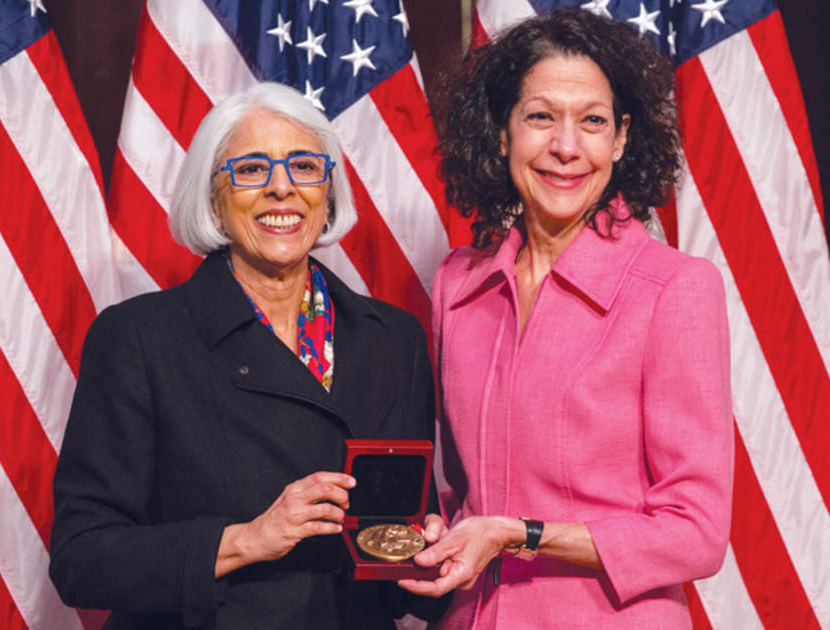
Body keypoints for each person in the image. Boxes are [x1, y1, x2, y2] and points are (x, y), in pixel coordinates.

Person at [49, 82, 444, 629]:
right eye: (252, 170)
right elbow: (82, 558)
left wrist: (431, 559)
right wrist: (248, 540)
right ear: (213, 197)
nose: (282, 189)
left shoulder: (394, 339)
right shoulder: (138, 339)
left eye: (305, 167)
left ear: (327, 192)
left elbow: (402, 557)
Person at [398, 10, 734, 628]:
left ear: (622, 138)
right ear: (502, 132)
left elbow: (697, 532)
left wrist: (518, 534)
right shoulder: (457, 284)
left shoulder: (675, 290)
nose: (566, 147)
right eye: (540, 117)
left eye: (593, 122)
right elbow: (458, 490)